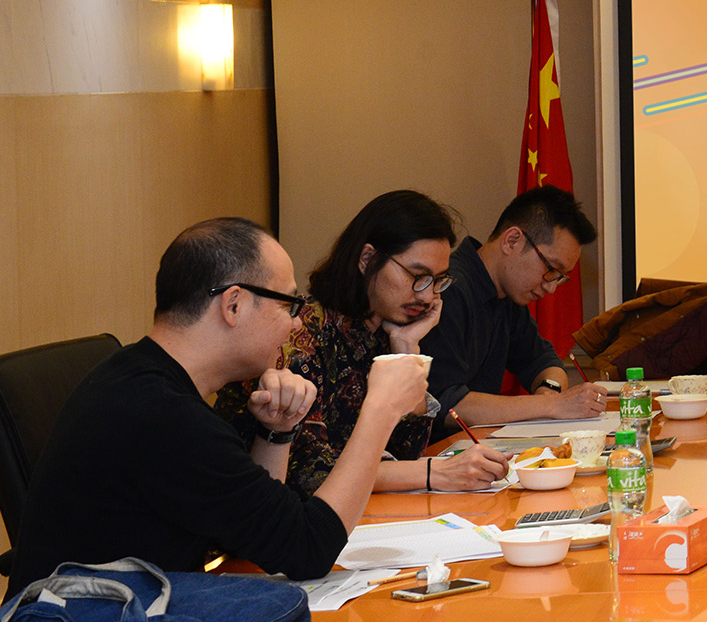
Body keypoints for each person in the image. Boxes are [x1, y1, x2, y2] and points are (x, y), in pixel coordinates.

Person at [6, 218, 428, 595]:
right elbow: (308, 550)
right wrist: (380, 410)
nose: (297, 322)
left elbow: (252, 537)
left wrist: (276, 432)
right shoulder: (165, 415)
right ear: (233, 305)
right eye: (288, 304)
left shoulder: (141, 377)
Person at [213, 191, 511, 495]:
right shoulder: (299, 333)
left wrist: (406, 349)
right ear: (367, 259)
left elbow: (408, 450)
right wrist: (436, 472)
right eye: (417, 276)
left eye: (437, 281)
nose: (427, 295)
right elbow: (309, 474)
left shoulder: (385, 333)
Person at [421, 185, 603, 425]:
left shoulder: (508, 294)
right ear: (512, 240)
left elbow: (544, 362)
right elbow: (443, 404)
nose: (551, 288)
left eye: (560, 277)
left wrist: (549, 391)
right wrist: (551, 405)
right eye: (550, 269)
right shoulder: (447, 289)